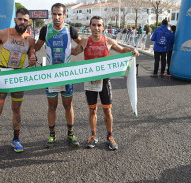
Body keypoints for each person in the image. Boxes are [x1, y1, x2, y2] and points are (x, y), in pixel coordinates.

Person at [71, 16, 139, 150]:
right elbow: (74, 52)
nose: (96, 28)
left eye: (99, 25)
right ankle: (93, 135)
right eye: (94, 25)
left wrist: (132, 50)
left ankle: (109, 136)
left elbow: (121, 50)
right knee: (92, 110)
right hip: (90, 81)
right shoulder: (85, 42)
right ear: (90, 26)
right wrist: (60, 47)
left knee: (107, 110)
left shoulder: (108, 41)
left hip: (104, 81)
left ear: (103, 27)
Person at [0, 8, 36, 156]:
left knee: (16, 109)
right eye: (20, 19)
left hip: (18, 78)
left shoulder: (30, 40)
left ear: (28, 22)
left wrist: (33, 60)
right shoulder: (3, 33)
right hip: (1, 77)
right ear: (15, 20)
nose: (22, 22)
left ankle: (16, 139)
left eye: (25, 20)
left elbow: (32, 61)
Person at [34, 3, 81, 148]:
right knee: (52, 106)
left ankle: (70, 134)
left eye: (59, 14)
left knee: (68, 105)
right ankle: (52, 135)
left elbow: (83, 44)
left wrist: (75, 51)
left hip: (67, 75)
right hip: (51, 76)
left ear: (64, 15)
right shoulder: (45, 30)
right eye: (54, 14)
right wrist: (28, 47)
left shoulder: (70, 29)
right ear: (51, 15)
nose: (56, 17)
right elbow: (36, 47)